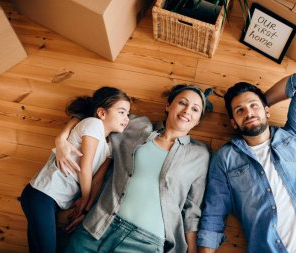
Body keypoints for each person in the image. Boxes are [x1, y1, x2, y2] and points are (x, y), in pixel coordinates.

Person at [56, 84, 211, 253]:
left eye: (195, 109)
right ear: (168, 105)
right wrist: (61, 138)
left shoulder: (200, 155)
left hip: (146, 243)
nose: (187, 110)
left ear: (198, 120)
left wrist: (193, 250)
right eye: (182, 103)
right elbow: (94, 110)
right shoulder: (136, 126)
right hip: (98, 227)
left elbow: (192, 210)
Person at [197, 71, 296, 253]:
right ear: (233, 123)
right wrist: (257, 107)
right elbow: (213, 214)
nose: (249, 113)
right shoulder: (224, 158)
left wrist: (260, 103)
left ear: (267, 110)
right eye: (240, 111)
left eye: (254, 106)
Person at [20, 87, 131, 253]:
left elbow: (97, 180)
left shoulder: (109, 148)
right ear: (101, 113)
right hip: (42, 193)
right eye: (121, 112)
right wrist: (85, 198)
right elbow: (84, 169)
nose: (126, 118)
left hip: (54, 201)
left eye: (128, 114)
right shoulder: (93, 125)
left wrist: (85, 208)